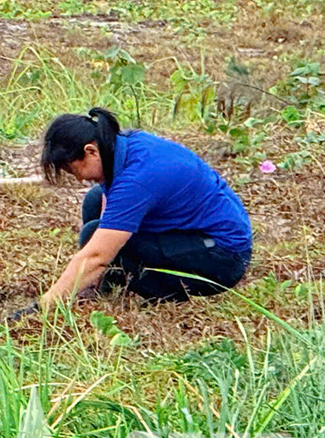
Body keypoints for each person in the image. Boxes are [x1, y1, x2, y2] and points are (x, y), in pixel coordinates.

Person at [36, 108, 252, 308]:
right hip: (199, 230)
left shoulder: (137, 181)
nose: (80, 178)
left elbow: (96, 256)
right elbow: (108, 197)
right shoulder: (124, 143)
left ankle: (167, 293)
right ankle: (110, 286)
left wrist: (45, 305)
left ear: (90, 151)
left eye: (74, 170)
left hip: (223, 258)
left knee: (95, 236)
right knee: (95, 201)